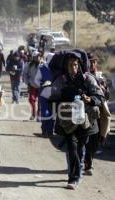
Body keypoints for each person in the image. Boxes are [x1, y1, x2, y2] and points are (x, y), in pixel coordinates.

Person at [50, 53, 104, 189]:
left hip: (85, 120)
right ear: (66, 66)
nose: (72, 67)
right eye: (70, 65)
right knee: (72, 147)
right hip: (68, 121)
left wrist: (89, 100)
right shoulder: (61, 80)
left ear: (79, 65)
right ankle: (73, 178)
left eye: (75, 64)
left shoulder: (88, 79)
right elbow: (53, 97)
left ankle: (78, 171)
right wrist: (56, 96)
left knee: (80, 147)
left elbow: (100, 97)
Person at [83, 52, 110, 175]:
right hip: (88, 111)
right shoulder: (83, 76)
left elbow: (107, 96)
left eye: (94, 61)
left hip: (100, 112)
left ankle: (88, 161)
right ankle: (86, 163)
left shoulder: (100, 77)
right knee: (86, 138)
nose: (93, 64)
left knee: (97, 139)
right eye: (90, 61)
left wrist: (104, 88)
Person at [34, 52, 55, 137]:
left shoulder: (57, 69)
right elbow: (36, 80)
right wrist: (42, 84)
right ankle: (44, 130)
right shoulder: (42, 68)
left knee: (53, 114)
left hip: (54, 95)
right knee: (45, 113)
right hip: (44, 94)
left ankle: (50, 131)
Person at [23, 51, 41, 120]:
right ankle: (33, 114)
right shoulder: (29, 65)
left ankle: (39, 115)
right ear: (34, 58)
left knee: (41, 102)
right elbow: (25, 74)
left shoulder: (43, 65)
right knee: (31, 100)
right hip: (32, 85)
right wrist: (28, 83)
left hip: (41, 86)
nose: (38, 58)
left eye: (39, 56)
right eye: (37, 57)